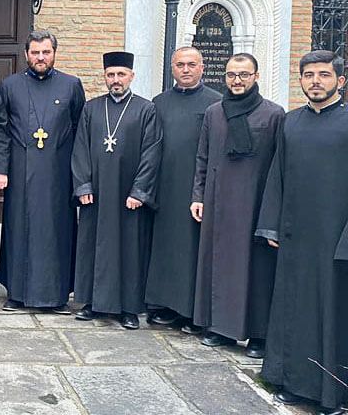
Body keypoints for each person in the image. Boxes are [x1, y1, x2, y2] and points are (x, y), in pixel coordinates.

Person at [256, 50, 348, 414]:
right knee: (294, 309)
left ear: (340, 80)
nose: (315, 82)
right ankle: (292, 382)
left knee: (332, 312)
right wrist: (271, 223)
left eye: (324, 75)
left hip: (335, 238)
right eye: (308, 75)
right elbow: (277, 176)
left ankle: (333, 394)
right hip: (295, 236)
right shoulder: (291, 122)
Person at [190, 53, 282, 357]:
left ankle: (258, 335)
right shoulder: (214, 113)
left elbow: (278, 167)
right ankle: (220, 329)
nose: (237, 80)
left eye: (243, 74)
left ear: (256, 76)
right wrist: (198, 196)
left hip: (255, 204)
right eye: (231, 75)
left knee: (255, 270)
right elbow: (202, 158)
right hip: (218, 202)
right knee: (220, 266)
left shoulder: (273, 114)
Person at [0, 30, 85, 313]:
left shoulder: (71, 85)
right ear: (26, 55)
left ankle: (57, 296)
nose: (41, 57)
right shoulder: (10, 85)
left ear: (54, 53)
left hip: (58, 175)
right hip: (20, 173)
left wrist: (80, 178)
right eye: (35, 52)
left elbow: (81, 130)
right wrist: (2, 169)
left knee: (56, 233)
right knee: (18, 230)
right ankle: (17, 294)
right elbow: (1, 130)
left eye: (46, 52)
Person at [71, 51, 162, 330]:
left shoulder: (146, 109)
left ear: (131, 76)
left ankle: (129, 308)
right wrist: (83, 184)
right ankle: (90, 302)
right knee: (93, 246)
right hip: (96, 193)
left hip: (127, 196)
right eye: (111, 75)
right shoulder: (92, 108)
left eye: (121, 74)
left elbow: (152, 152)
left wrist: (139, 192)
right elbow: (80, 148)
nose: (115, 80)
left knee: (129, 249)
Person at [144, 46, 221, 333]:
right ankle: (161, 304)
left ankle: (190, 310)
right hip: (165, 185)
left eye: (191, 64)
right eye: (180, 65)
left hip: (197, 187)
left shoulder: (216, 103)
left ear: (202, 68)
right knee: (164, 247)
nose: (185, 70)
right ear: (172, 69)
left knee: (191, 249)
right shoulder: (159, 102)